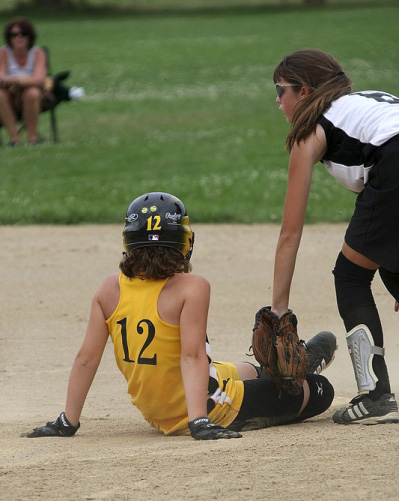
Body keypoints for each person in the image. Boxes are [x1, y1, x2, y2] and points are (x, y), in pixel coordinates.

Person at [25, 192, 335, 441]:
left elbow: (85, 359)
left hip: (158, 412)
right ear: (183, 242)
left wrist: (67, 421)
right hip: (208, 409)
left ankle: (284, 367)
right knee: (320, 390)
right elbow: (191, 356)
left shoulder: (108, 288)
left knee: (247, 370)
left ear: (129, 242)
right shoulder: (192, 287)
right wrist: (199, 421)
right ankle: (304, 369)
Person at [270, 48, 399, 425]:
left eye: (281, 91)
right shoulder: (360, 106)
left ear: (304, 92)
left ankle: (375, 395)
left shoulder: (309, 131)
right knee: (379, 259)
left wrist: (278, 310)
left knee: (350, 275)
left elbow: (290, 233)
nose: (278, 102)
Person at [0, 17, 46, 145]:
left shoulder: (38, 53)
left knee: (32, 93)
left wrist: (18, 81)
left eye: (23, 34)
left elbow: (39, 79)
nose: (18, 38)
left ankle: (32, 138)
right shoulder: (4, 52)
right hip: (9, 93)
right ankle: (15, 139)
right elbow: (1, 75)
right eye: (13, 35)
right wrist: (13, 81)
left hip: (31, 92)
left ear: (30, 37)